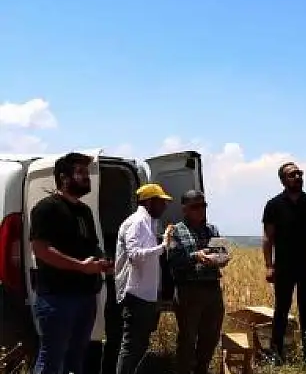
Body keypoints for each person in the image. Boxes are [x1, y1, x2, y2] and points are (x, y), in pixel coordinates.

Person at [28, 152, 113, 374]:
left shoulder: (84, 211)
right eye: (81, 173)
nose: (87, 177)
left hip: (85, 296)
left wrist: (102, 262)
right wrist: (81, 266)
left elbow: (91, 245)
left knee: (76, 359)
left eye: (87, 172)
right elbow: (41, 249)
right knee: (51, 360)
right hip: (57, 298)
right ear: (64, 178)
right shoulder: (47, 208)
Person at [261, 161, 306, 364]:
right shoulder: (273, 204)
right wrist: (269, 265)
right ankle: (276, 354)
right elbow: (267, 237)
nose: (297, 177)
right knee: (281, 309)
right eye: (292, 175)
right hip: (284, 266)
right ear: (283, 180)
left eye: (299, 173)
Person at [113, 183, 175, 374]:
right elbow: (135, 254)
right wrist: (162, 246)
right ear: (149, 201)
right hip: (136, 293)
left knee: (138, 345)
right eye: (161, 202)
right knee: (131, 347)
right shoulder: (137, 222)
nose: (164, 207)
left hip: (145, 294)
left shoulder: (147, 222)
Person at [165, 190, 228, 374]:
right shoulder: (175, 231)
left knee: (210, 336)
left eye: (203, 206)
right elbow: (172, 260)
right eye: (195, 207)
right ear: (185, 209)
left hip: (212, 289)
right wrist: (195, 257)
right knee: (187, 338)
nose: (200, 210)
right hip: (188, 291)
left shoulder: (212, 229)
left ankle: (202, 369)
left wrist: (221, 259)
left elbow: (223, 253)